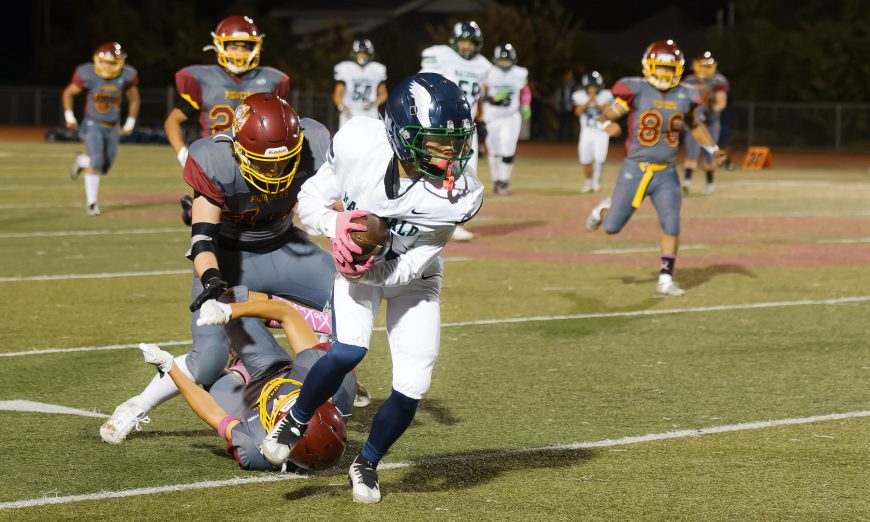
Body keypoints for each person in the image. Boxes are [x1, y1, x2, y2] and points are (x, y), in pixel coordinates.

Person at [260, 73, 483, 503]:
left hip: (412, 279)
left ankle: (367, 462)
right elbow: (308, 202)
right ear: (401, 134)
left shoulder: (461, 195)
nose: (452, 154)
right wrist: (336, 225)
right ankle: (295, 419)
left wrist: (364, 270)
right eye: (438, 142)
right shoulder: (358, 143)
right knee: (348, 350)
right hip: (360, 266)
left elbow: (412, 264)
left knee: (413, 383)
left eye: (457, 142)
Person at [100, 93, 336, 444]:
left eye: (282, 161)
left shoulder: (315, 142)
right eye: (263, 161)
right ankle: (137, 404)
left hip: (286, 246)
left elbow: (344, 202)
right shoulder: (215, 160)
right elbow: (202, 241)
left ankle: (331, 376)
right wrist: (211, 279)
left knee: (351, 295)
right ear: (238, 149)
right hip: (228, 258)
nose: (273, 170)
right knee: (208, 361)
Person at [134, 287, 355, 471]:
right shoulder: (335, 382)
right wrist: (231, 311)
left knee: (209, 375)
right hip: (279, 370)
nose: (282, 403)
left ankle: (239, 370)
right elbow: (286, 314)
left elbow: (213, 413)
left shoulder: (255, 446)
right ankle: (319, 327)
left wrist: (170, 366)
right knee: (229, 297)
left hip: (251, 407)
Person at [585, 40, 725, 296]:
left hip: (666, 172)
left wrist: (713, 149)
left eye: (669, 69)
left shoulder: (685, 95)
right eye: (659, 68)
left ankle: (665, 279)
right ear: (649, 67)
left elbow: (694, 125)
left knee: (672, 223)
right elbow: (606, 115)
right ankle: (604, 208)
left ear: (678, 71)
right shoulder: (636, 90)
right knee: (612, 227)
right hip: (635, 169)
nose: (664, 74)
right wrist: (607, 126)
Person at [164, 15, 290, 225]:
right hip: (215, 163)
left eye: (244, 47)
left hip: (259, 163)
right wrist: (182, 154)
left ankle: (194, 210)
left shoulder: (272, 80)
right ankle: (198, 211)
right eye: (233, 47)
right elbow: (172, 121)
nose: (239, 53)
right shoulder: (203, 80)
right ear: (219, 46)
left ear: (257, 47)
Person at [420, 20, 491, 241]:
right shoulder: (439, 56)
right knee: (438, 171)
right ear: (454, 41)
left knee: (466, 173)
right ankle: (435, 218)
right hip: (442, 124)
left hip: (467, 127)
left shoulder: (484, 65)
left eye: (471, 42)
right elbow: (422, 83)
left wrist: (483, 120)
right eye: (463, 42)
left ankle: (452, 219)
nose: (467, 47)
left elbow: (481, 94)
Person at [63, 42, 140, 216]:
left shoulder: (126, 76)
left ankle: (82, 161)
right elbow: (68, 93)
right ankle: (92, 203)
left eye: (112, 63)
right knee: (97, 160)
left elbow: (134, 99)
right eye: (105, 62)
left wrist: (129, 123)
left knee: (105, 165)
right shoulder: (88, 74)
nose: (107, 67)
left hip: (112, 126)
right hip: (93, 123)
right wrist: (69, 116)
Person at [482, 43, 531, 195]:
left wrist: (526, 104)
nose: (504, 62)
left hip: (510, 116)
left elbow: (525, 89)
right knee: (494, 150)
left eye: (507, 59)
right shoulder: (488, 71)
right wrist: (491, 98)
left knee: (508, 147)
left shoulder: (519, 73)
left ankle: (504, 180)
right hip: (492, 116)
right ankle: (496, 180)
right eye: (501, 59)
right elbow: (481, 91)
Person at [682, 51, 730, 194]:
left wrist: (712, 108)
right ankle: (687, 182)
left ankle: (709, 182)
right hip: (694, 123)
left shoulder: (718, 81)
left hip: (711, 123)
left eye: (706, 66)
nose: (704, 70)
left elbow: (721, 103)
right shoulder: (689, 81)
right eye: (701, 66)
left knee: (710, 154)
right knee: (692, 152)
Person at [572, 71, 614, 193]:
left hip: (601, 132)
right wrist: (589, 100)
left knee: (600, 158)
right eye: (590, 87)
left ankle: (596, 180)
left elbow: (607, 111)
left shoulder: (606, 95)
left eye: (594, 87)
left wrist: (594, 100)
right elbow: (578, 111)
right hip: (586, 132)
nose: (592, 89)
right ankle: (588, 181)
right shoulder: (579, 96)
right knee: (585, 160)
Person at [333, 38, 388, 128]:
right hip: (350, 113)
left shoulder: (376, 69)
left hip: (370, 114)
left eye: (365, 53)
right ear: (354, 54)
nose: (362, 56)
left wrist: (375, 103)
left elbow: (384, 94)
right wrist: (343, 108)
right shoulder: (346, 68)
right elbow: (337, 94)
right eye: (360, 53)